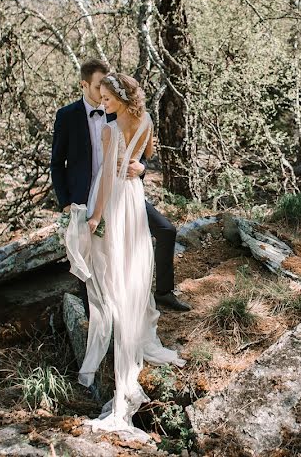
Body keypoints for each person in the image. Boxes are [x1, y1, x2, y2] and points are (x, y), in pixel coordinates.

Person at [62, 72, 185, 438]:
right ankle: (127, 306)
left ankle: (116, 311)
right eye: (100, 99)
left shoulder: (109, 130)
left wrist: (95, 215)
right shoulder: (145, 121)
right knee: (131, 253)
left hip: (115, 197)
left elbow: (108, 177)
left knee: (109, 256)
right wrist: (137, 166)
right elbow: (146, 154)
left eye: (108, 99)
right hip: (133, 198)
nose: (103, 104)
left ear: (119, 95)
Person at [50, 59, 190, 312]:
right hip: (85, 196)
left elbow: (140, 148)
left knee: (165, 230)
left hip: (121, 190)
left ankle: (163, 293)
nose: (104, 96)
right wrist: (66, 202)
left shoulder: (118, 111)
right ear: (84, 85)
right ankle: (95, 313)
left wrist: (142, 168)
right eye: (98, 89)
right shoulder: (67, 116)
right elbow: (57, 163)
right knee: (90, 254)